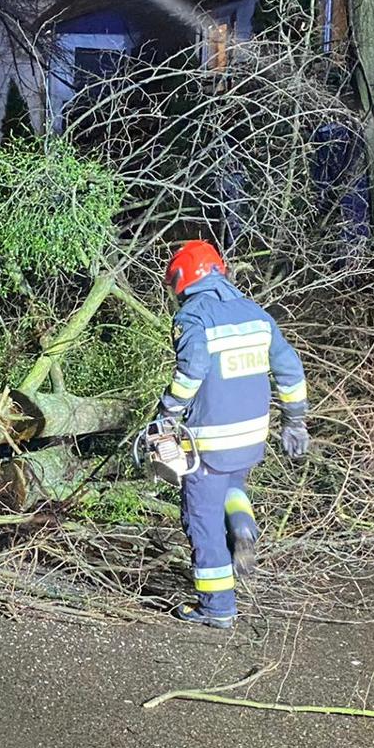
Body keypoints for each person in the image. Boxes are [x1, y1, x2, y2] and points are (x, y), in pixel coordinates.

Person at [154, 240, 308, 629]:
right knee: (231, 487)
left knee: (201, 519)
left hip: (209, 443)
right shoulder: (256, 315)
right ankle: (242, 525)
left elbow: (192, 371)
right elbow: (290, 370)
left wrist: (168, 411)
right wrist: (295, 421)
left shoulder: (193, 318)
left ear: (183, 279)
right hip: (251, 439)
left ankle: (217, 607)